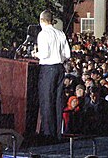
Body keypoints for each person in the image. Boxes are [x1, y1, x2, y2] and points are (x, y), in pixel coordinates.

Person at [33, 10, 71, 141]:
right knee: (57, 100)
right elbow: (68, 54)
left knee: (47, 100)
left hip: (48, 68)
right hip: (60, 68)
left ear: (42, 20)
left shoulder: (43, 34)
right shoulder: (60, 33)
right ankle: (57, 134)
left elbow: (44, 54)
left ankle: (48, 134)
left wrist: (35, 54)